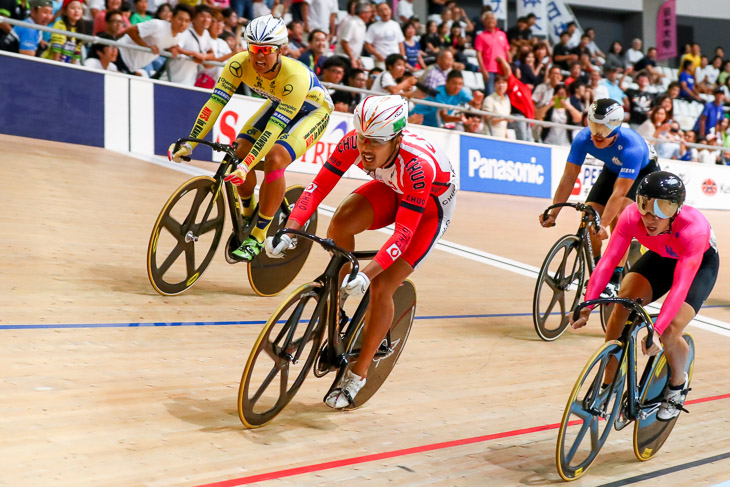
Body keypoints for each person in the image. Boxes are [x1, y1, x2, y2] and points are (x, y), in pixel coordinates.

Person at [265, 95, 457, 409]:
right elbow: (316, 188)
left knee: (383, 286)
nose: (365, 148)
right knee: (340, 224)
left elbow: (404, 233)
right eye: (363, 138)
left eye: (376, 142)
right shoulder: (352, 142)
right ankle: (338, 300)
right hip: (393, 189)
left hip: (429, 211)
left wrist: (367, 275)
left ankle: (359, 373)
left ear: (395, 139)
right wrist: (289, 228)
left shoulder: (417, 166)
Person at [168, 15, 333, 261]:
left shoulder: (295, 77)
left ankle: (258, 234)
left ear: (281, 50)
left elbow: (274, 129)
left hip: (313, 111)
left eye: (266, 50)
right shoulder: (237, 64)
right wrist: (190, 143)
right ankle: (249, 211)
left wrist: (247, 167)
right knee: (239, 149)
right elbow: (214, 104)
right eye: (254, 48)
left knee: (276, 157)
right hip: (280, 103)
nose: (258, 56)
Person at [572, 171, 719, 421]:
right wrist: (586, 303)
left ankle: (677, 386)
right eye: (645, 207)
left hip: (697, 265)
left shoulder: (693, 229)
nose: (650, 218)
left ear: (675, 210)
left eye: (660, 211)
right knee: (623, 302)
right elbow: (607, 263)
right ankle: (608, 385)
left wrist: (656, 330)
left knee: (671, 329)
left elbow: (680, 287)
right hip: (661, 257)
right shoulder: (631, 217)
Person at [539, 99, 660, 292]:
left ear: (616, 126)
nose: (597, 133)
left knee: (619, 217)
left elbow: (619, 193)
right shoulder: (583, 138)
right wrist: (554, 212)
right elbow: (569, 177)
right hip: (612, 169)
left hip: (642, 172)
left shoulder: (632, 147)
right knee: (589, 218)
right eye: (593, 125)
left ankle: (614, 277)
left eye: (603, 128)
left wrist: (603, 224)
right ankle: (599, 269)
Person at [116, 4, 192, 76]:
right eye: (180, 19)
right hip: (119, 54)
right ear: (172, 17)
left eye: (187, 21)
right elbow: (130, 30)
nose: (183, 24)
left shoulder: (178, 37)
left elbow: (168, 44)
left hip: (131, 67)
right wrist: (146, 46)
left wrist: (173, 49)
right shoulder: (158, 25)